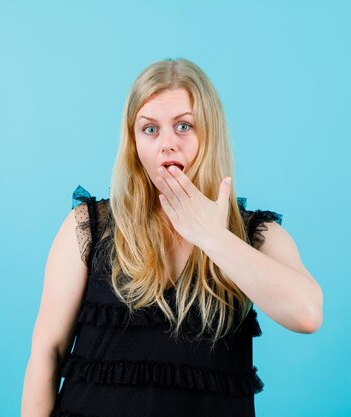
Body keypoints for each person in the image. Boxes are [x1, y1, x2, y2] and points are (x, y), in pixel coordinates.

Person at [21, 58, 323, 417]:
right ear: (133, 143)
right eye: (150, 129)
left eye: (184, 126)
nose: (167, 144)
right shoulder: (88, 226)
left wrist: (212, 236)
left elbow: (307, 314)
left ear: (210, 135)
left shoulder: (254, 234)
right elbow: (46, 353)